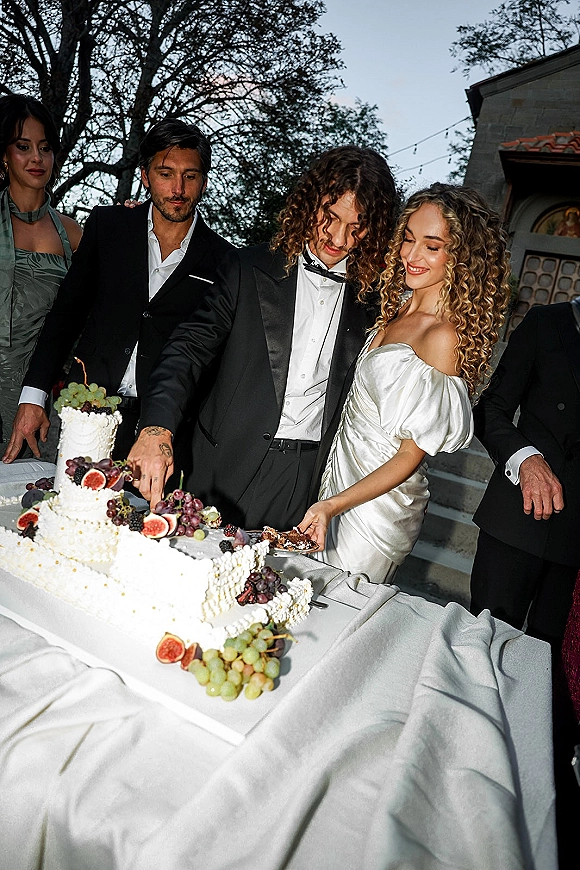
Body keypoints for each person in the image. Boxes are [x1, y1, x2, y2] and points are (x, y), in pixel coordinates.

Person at [128, 146, 398, 529]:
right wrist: (157, 428)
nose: (338, 238)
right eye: (330, 216)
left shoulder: (375, 300)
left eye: (357, 227)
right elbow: (187, 350)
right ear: (310, 202)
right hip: (224, 459)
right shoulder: (247, 267)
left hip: (304, 476)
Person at [298, 184, 511, 582]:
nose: (412, 256)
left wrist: (334, 506)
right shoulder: (393, 312)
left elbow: (410, 456)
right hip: (336, 482)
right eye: (409, 239)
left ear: (460, 257)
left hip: (375, 509)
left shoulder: (442, 337)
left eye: (432, 246)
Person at [2, 117, 233, 463]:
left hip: (166, 430)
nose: (178, 189)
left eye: (190, 176)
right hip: (88, 410)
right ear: (145, 175)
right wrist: (33, 397)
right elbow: (66, 316)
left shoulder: (225, 261)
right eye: (165, 173)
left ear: (203, 181)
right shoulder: (108, 227)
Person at [469, 298, 580, 644]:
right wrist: (527, 461)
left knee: (553, 678)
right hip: (517, 523)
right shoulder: (546, 322)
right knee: (483, 652)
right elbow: (489, 410)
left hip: (576, 545)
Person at [0, 94, 81, 456]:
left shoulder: (73, 233)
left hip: (39, 392)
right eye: (23, 146)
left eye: (45, 148)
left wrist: (129, 227)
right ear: (4, 155)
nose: (37, 158)